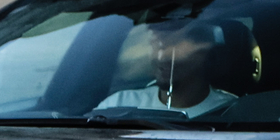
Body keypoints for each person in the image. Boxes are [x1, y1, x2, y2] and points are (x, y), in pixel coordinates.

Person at [95, 20, 237, 121]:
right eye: (158, 46)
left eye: (174, 48)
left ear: (203, 55)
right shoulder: (118, 106)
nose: (162, 58)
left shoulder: (231, 111)